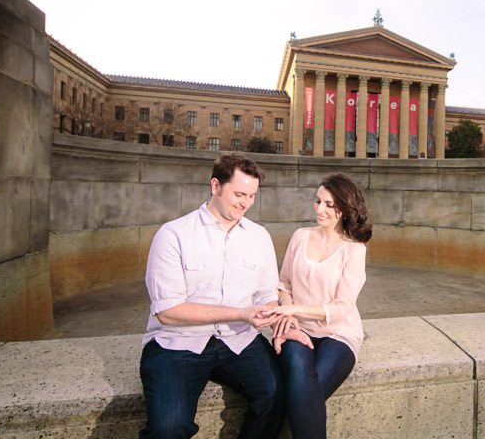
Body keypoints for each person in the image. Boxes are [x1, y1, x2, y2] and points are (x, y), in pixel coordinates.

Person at [139, 155, 285, 439]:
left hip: (239, 339)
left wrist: (275, 315)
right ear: (215, 186)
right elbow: (168, 311)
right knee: (169, 427)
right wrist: (240, 313)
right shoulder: (173, 235)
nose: (245, 203)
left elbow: (268, 294)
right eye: (239, 194)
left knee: (277, 394)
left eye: (252, 196)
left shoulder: (259, 237)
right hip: (176, 343)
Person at [263, 173, 371, 439]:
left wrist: (292, 310)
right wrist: (289, 315)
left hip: (339, 334)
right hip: (296, 327)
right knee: (300, 381)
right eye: (318, 201)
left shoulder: (354, 250)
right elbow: (284, 283)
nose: (319, 209)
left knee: (304, 392)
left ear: (345, 209)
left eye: (328, 204)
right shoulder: (300, 236)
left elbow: (341, 308)